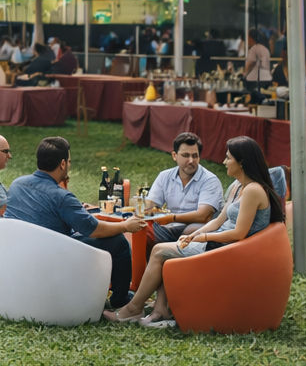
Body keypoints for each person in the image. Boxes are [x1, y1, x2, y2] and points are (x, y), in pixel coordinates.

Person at [104, 136, 283, 327]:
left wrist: (203, 236)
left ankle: (134, 308)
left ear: (242, 162)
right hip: (220, 243)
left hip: (228, 249)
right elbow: (218, 220)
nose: (224, 162)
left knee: (159, 251)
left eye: (228, 158)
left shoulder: (253, 191)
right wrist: (194, 236)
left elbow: (239, 233)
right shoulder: (237, 186)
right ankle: (160, 309)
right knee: (165, 250)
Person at [5, 136, 146, 310]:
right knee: (118, 242)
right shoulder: (61, 196)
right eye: (69, 162)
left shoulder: (17, 184)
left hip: (20, 254)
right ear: (63, 164)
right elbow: (94, 229)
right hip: (54, 256)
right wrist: (125, 226)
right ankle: (120, 299)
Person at [144, 132, 223, 245]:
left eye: (195, 156)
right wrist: (145, 208)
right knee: (140, 228)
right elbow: (150, 206)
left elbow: (203, 216)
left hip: (193, 230)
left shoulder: (209, 180)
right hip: (168, 228)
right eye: (186, 155)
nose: (191, 160)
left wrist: (171, 218)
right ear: (174, 156)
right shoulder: (164, 176)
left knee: (145, 234)